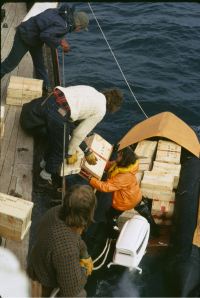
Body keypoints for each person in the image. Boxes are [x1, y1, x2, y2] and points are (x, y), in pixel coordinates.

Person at [19, 85, 123, 188]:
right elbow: (79, 133)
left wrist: (86, 150)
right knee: (61, 150)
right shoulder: (101, 111)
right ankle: (43, 178)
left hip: (53, 98)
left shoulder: (92, 90)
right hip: (60, 112)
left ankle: (43, 164)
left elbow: (70, 125)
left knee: (56, 138)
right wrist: (70, 153)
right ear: (113, 107)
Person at [27, 184, 97, 297]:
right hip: (42, 284)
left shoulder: (56, 211)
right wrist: (84, 270)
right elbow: (71, 290)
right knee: (80, 294)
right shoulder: (66, 249)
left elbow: (75, 237)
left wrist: (83, 251)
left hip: (36, 265)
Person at [1, 4, 89, 92]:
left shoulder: (61, 13)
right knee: (10, 64)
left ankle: (46, 89)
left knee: (40, 65)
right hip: (24, 36)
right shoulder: (64, 26)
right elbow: (45, 35)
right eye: (80, 29)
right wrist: (60, 42)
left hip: (35, 39)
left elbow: (50, 25)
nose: (78, 31)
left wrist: (59, 37)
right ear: (78, 26)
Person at [87, 146, 159, 237]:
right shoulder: (126, 166)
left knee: (110, 217)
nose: (117, 155)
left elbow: (105, 187)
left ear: (124, 159)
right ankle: (155, 231)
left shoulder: (123, 177)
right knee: (147, 215)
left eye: (120, 155)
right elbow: (110, 166)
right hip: (136, 196)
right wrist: (98, 162)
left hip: (124, 202)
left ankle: (114, 234)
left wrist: (91, 179)